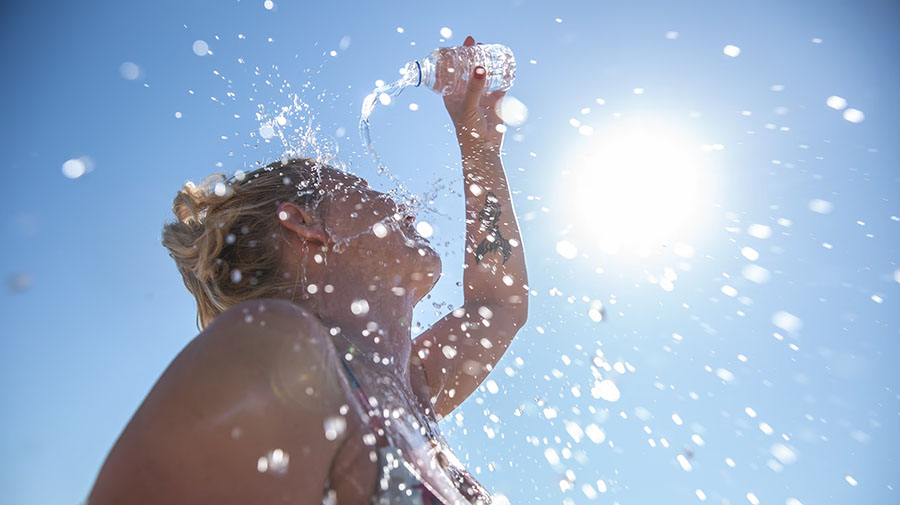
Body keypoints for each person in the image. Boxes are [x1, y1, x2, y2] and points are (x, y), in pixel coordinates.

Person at [88, 35, 528, 505]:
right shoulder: (283, 354)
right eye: (359, 187)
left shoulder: (408, 388)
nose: (400, 204)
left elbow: (498, 304)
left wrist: (478, 148)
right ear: (304, 223)